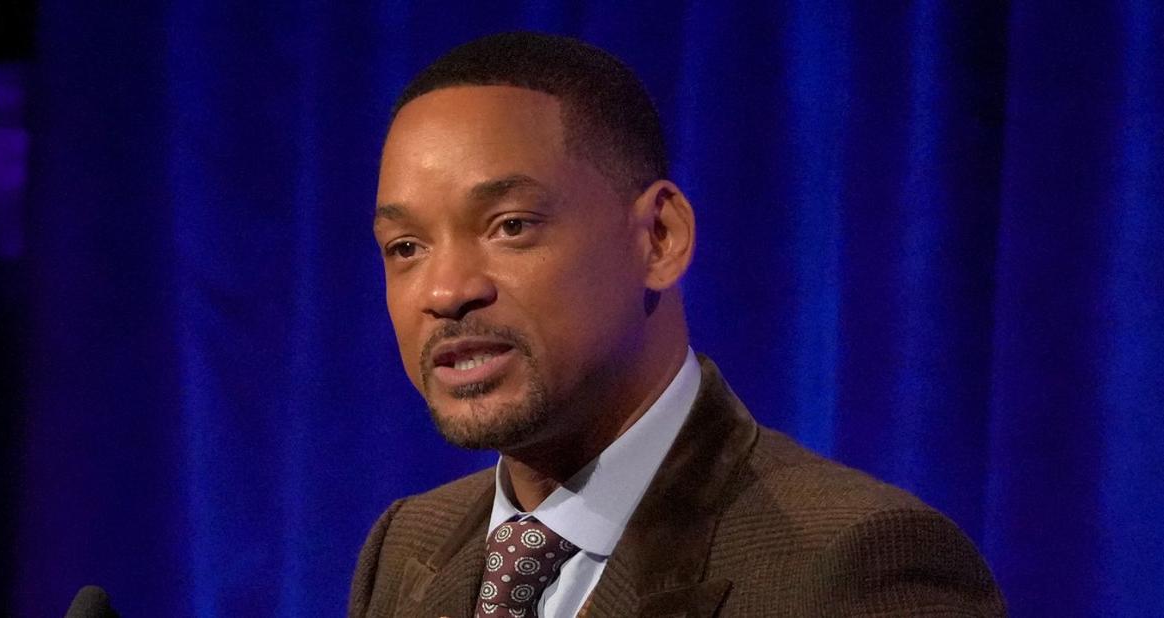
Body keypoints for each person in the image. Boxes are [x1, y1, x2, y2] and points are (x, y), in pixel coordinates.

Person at [352, 32, 1004, 618]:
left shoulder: (852, 566)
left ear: (659, 238)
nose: (445, 290)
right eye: (406, 247)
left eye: (511, 227)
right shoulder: (408, 543)